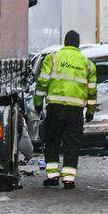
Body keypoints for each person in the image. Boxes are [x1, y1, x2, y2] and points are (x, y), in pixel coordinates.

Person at [34, 30, 96, 189]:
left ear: (65, 42)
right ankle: (69, 179)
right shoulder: (87, 64)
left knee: (52, 140)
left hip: (55, 108)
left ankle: (53, 176)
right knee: (72, 143)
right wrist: (90, 110)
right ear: (78, 44)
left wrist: (38, 102)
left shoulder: (53, 58)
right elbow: (92, 90)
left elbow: (42, 82)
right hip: (76, 111)